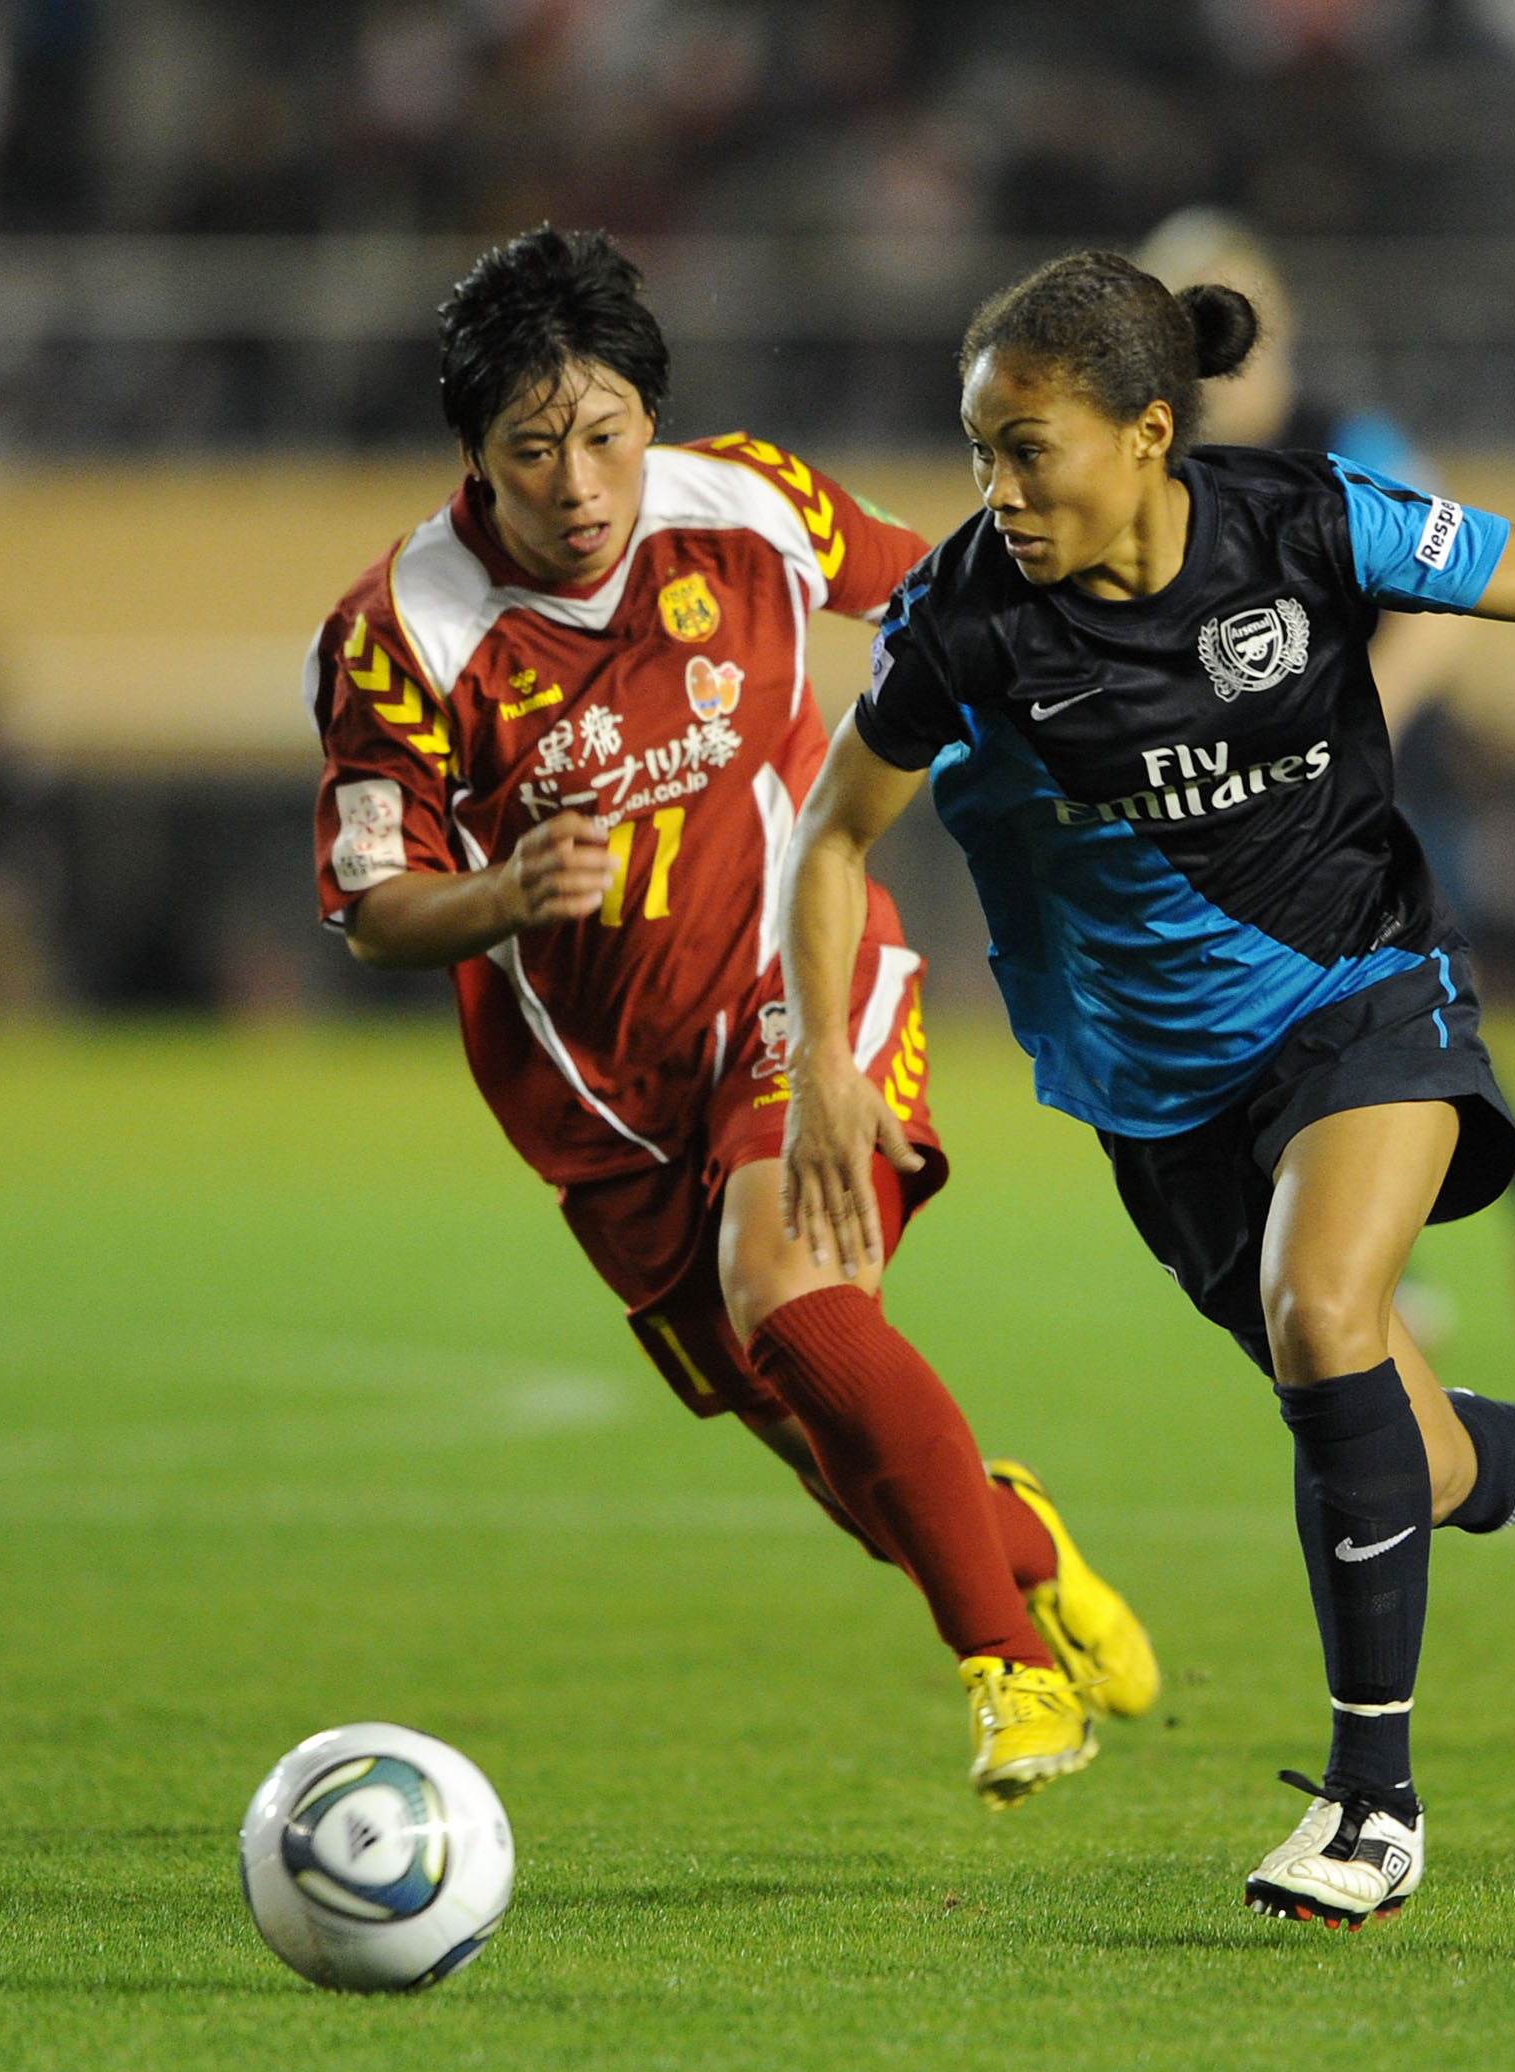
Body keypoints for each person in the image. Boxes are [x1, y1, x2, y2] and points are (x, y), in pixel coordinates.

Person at [779, 251, 1515, 1927]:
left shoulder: (1307, 522)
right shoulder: (964, 619)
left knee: (1320, 1312)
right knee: (1413, 1456)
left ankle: (1373, 1807)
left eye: (1029, 449)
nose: (998, 491)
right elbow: (837, 836)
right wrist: (823, 1068)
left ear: (1150, 434)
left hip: (1365, 989)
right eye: (982, 450)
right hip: (1159, 1098)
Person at [307, 228, 1155, 1812]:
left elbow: (944, 588)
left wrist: (1102, 721)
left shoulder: (746, 503)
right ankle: (1019, 1536)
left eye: (609, 432)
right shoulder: (402, 634)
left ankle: (1009, 1671)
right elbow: (369, 906)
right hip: (601, 1107)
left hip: (795, 987)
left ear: (654, 419)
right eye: (533, 448)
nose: (579, 482)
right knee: (824, 1433)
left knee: (785, 1281)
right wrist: (495, 898)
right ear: (474, 459)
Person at [1132, 207, 1515, 1331]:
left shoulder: (1346, 437)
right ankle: (1431, 1240)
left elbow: (1454, 596)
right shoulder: (1158, 457)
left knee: (1389, 1000)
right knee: (1293, 1012)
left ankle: (1496, 1206)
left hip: (1367, 771)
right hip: (1239, 791)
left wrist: (1355, 725)